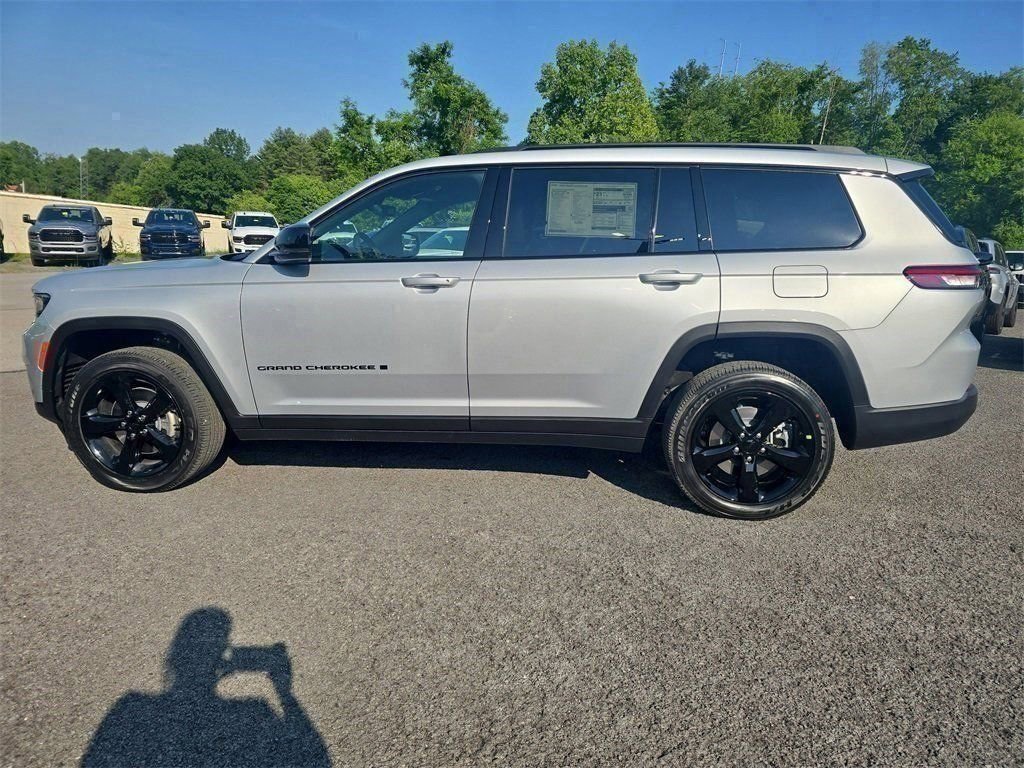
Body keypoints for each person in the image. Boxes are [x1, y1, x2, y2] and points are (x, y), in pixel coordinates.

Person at [82, 607, 330, 767]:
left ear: (174, 657)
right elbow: (314, 759)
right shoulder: (253, 713)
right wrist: (284, 692)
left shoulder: (131, 710)